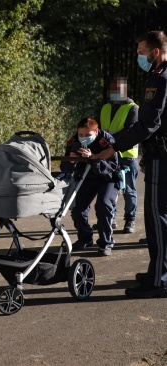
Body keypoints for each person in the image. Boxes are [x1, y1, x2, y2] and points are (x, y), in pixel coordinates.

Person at [92, 30, 167, 298]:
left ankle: (158, 281)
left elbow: (147, 124)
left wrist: (113, 146)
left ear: (155, 52)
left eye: (141, 52)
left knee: (157, 218)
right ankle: (159, 271)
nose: (139, 57)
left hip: (162, 157)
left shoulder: (158, 81)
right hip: (160, 154)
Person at [61, 117, 119, 256]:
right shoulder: (73, 141)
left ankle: (106, 242)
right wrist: (72, 160)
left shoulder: (107, 141)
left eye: (88, 135)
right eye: (81, 135)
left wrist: (93, 158)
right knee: (78, 208)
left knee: (103, 205)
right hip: (86, 178)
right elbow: (65, 168)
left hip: (107, 178)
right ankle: (85, 238)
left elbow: (112, 167)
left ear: (96, 131)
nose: (83, 138)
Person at [99, 76, 139, 233]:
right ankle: (111, 218)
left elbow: (130, 130)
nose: (115, 92)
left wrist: (111, 143)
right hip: (110, 155)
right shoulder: (105, 108)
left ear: (125, 89)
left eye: (118, 89)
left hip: (127, 154)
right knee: (110, 188)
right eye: (113, 89)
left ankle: (130, 220)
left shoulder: (132, 107)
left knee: (128, 190)